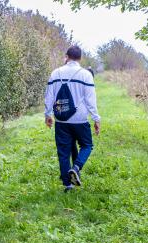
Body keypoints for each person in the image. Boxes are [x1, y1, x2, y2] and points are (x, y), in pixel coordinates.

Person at [44, 45, 101, 192]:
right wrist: (96, 118)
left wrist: (47, 114)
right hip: (80, 119)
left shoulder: (55, 73)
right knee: (87, 145)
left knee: (63, 152)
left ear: (66, 56)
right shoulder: (86, 75)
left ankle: (68, 185)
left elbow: (49, 96)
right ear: (80, 58)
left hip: (61, 120)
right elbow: (90, 99)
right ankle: (76, 167)